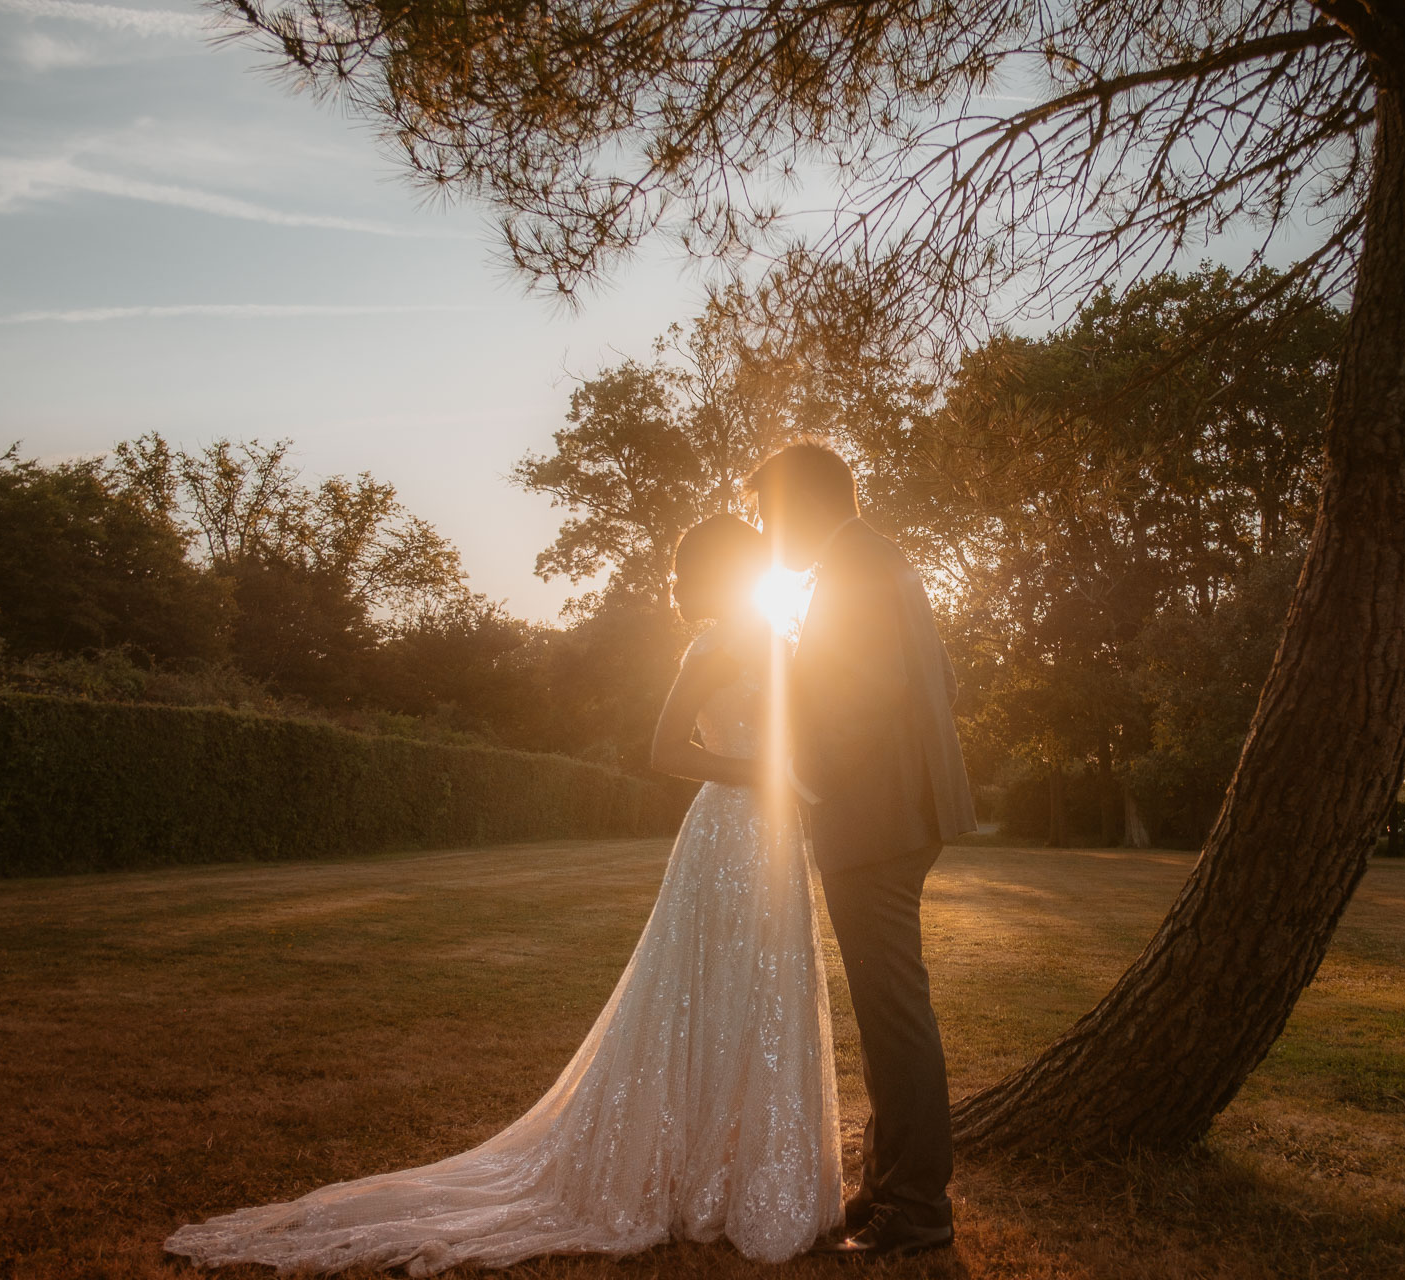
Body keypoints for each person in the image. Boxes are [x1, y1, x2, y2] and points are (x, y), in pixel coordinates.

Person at [164, 514, 842, 1273]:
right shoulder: (712, 648)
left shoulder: (782, 644)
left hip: (780, 839)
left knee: (764, 992)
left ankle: (745, 1173)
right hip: (726, 834)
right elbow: (662, 749)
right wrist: (763, 773)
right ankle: (686, 1175)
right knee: (701, 993)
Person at [747, 442, 976, 1259]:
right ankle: (887, 1183)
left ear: (804, 503)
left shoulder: (854, 569)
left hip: (873, 818)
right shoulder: (878, 560)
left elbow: (864, 692)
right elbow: (940, 677)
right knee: (889, 1008)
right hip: (898, 813)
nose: (770, 533)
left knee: (893, 1012)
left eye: (770, 515)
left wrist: (801, 773)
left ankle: (916, 1206)